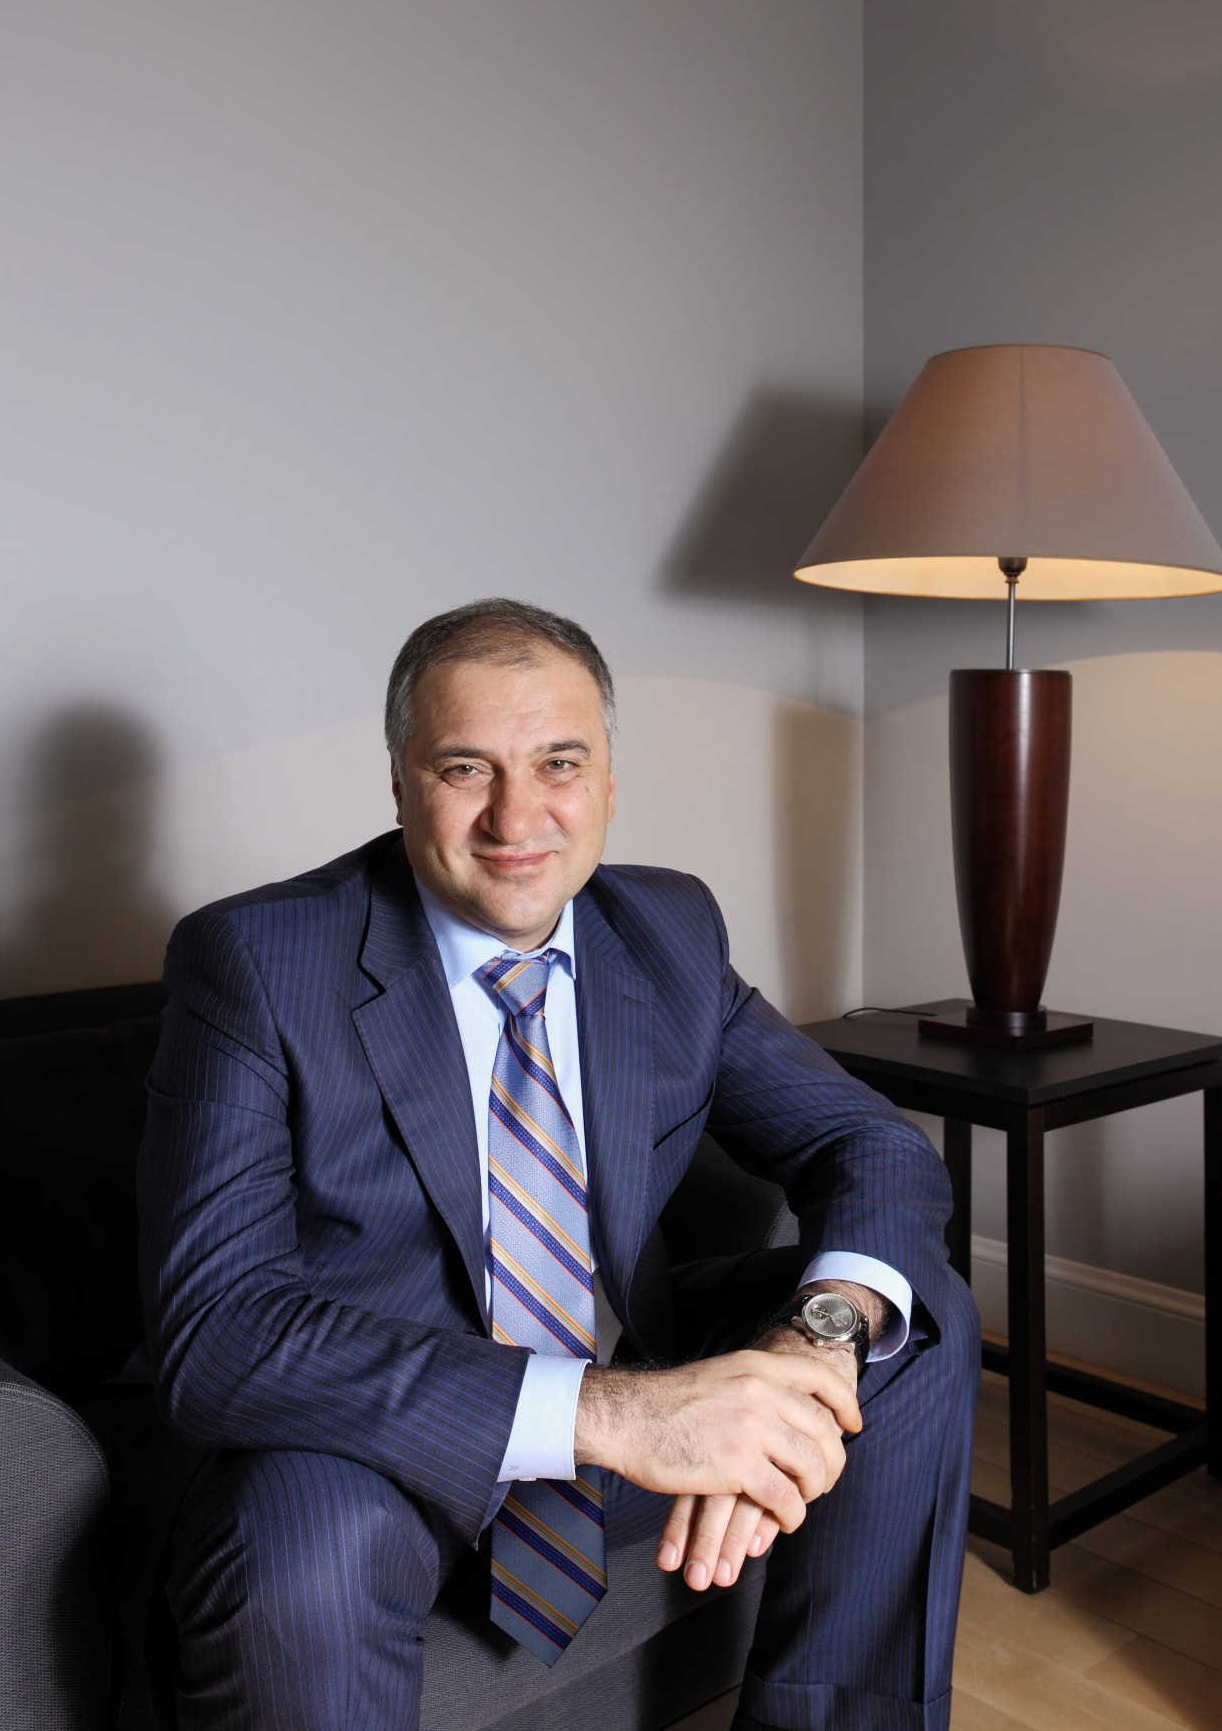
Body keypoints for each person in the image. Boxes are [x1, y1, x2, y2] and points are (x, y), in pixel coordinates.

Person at [132, 598, 978, 1730]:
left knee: (912, 1315)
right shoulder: (254, 959)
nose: (516, 815)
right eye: (464, 767)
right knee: (301, 1546)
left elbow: (865, 1141)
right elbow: (217, 1331)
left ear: (609, 784)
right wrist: (627, 1417)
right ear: (400, 783)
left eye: (558, 763)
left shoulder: (667, 932)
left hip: (629, 1367)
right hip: (384, 1435)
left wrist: (807, 1355)